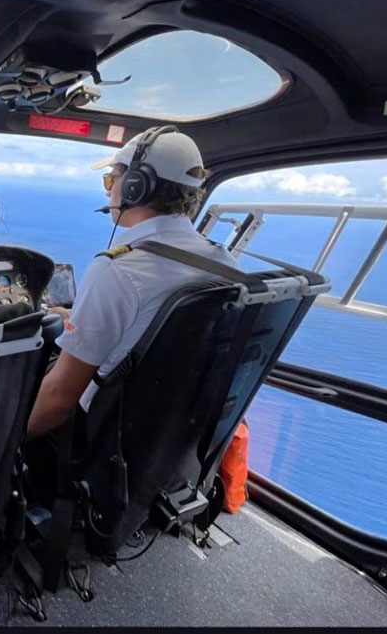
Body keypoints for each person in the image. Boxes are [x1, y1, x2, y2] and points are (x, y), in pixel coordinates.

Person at [26, 126, 240, 439]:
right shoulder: (226, 265)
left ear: (136, 186)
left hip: (96, 442)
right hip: (166, 440)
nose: (107, 189)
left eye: (111, 178)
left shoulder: (118, 270)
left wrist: (1, 448)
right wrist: (78, 321)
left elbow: (58, 400)